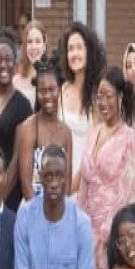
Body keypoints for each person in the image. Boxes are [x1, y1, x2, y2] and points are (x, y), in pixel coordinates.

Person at [78, 67, 135, 269]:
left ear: (120, 97)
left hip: (111, 233)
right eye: (99, 96)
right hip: (86, 229)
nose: (102, 102)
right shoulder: (94, 132)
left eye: (108, 95)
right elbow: (83, 186)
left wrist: (104, 238)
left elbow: (125, 195)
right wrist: (79, 224)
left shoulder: (129, 138)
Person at [14, 60, 72, 206]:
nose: (47, 96)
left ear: (59, 89)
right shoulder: (29, 127)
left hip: (60, 210)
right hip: (33, 208)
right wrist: (42, 217)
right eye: (42, 91)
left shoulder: (66, 132)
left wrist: (58, 215)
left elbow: (67, 184)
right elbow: (26, 185)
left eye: (52, 89)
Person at [0, 36, 30, 205]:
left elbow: (18, 159)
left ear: (15, 66)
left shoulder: (22, 105)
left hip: (9, 197)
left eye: (8, 60)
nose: (3, 65)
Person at [59, 22, 103, 182]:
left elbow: (98, 149)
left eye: (79, 47)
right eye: (70, 49)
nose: (74, 53)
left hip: (86, 182)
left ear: (89, 51)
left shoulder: (98, 95)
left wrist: (75, 185)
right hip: (59, 180)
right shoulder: (62, 90)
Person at [15, 20, 48, 99]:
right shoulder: (15, 82)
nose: (33, 46)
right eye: (29, 42)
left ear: (44, 45)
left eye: (38, 41)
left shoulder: (52, 79)